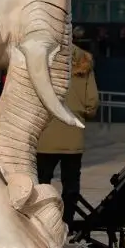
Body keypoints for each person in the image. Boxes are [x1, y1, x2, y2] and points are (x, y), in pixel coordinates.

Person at [36, 39, 100, 231]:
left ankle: (41, 221)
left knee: (41, 181)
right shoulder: (84, 62)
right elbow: (92, 102)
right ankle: (67, 223)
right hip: (73, 133)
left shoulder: (44, 57)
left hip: (46, 133)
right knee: (71, 184)